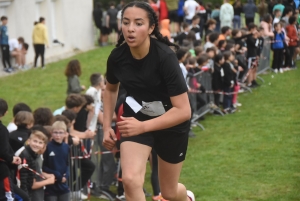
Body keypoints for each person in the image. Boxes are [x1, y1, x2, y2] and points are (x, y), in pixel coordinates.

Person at [104, 2, 195, 201]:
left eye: (138, 23)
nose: (130, 29)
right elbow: (110, 89)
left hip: (171, 122)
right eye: (126, 22)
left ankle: (187, 197)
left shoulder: (165, 58)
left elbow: (183, 110)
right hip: (136, 118)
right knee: (129, 180)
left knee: (169, 193)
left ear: (151, 27)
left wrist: (143, 126)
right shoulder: (117, 57)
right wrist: (106, 127)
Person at [18, 130, 53, 199]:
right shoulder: (25, 155)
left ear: (44, 145)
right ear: (29, 141)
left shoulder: (33, 154)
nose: (37, 144)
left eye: (40, 143)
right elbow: (28, 184)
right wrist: (48, 181)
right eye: (35, 141)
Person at [0, 98, 21, 201]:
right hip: (1, 172)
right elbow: (3, 150)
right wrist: (11, 159)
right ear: (5, 113)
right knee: (8, 197)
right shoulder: (2, 129)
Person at [43, 121, 70, 201]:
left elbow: (67, 163)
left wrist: (67, 175)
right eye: (55, 132)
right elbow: (43, 166)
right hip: (51, 185)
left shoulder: (66, 147)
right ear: (51, 133)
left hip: (63, 185)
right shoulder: (47, 147)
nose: (58, 135)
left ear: (65, 134)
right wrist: (56, 174)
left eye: (61, 133)